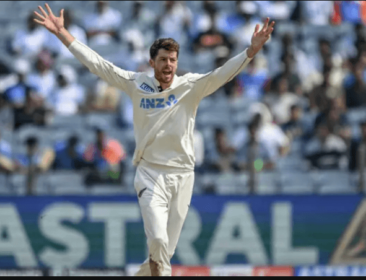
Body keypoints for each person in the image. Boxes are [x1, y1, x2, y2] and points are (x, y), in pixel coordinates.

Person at [33, 3, 274, 276]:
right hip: (150, 174)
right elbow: (98, 64)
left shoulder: (190, 86)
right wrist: (63, 34)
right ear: (152, 63)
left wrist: (251, 51)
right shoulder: (137, 84)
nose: (168, 65)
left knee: (161, 258)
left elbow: (222, 74)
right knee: (158, 243)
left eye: (173, 60)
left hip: (183, 175)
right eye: (163, 60)